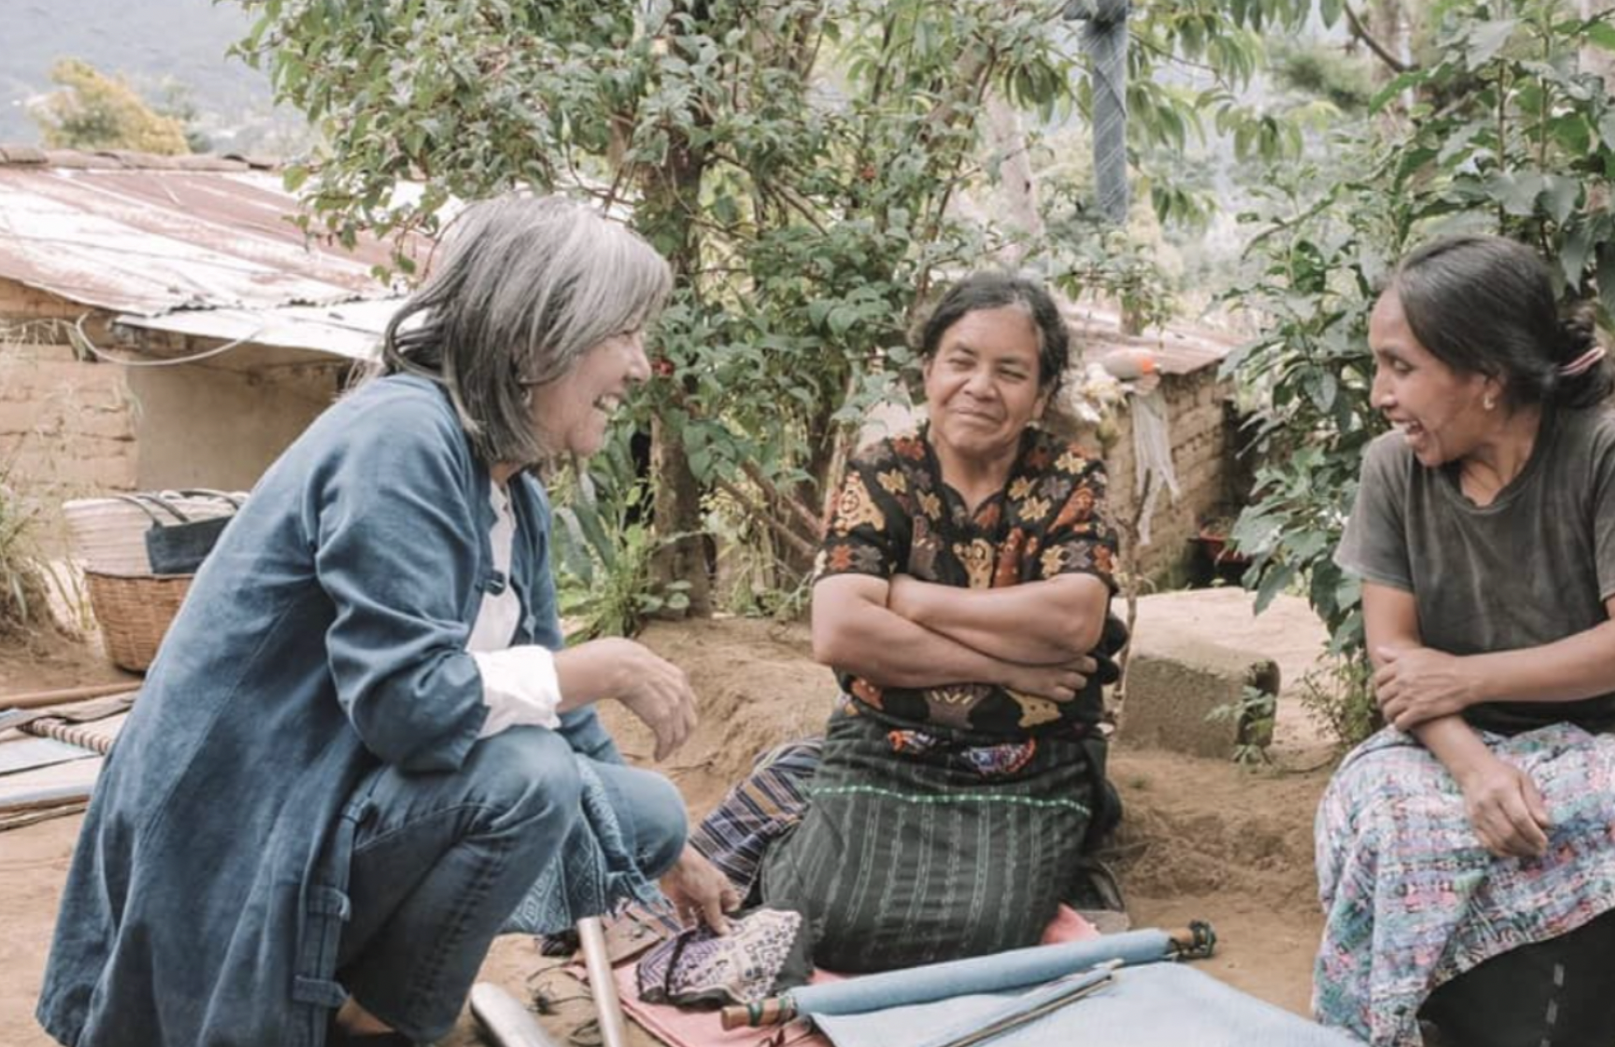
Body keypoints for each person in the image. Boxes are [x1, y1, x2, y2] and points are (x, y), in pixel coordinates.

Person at [38, 195, 740, 1047]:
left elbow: (544, 687)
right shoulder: (402, 437)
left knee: (646, 815)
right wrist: (609, 666)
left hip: (337, 790)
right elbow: (408, 707)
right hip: (248, 812)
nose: (639, 366)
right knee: (526, 777)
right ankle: (375, 1025)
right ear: (534, 338)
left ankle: (364, 999)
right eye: (622, 333)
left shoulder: (510, 489)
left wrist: (674, 857)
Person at [1314, 236, 1615, 1047]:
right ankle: (1415, 1017)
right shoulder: (1393, 471)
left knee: (1611, 810)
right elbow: (1397, 659)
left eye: (1401, 367)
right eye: (1378, 367)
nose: (1380, 394)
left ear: (1487, 377)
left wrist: (1467, 677)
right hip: (1448, 737)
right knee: (1381, 807)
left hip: (1613, 737)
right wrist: (1476, 768)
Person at [656, 272, 1124, 974]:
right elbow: (840, 634)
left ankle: (801, 792)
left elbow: (1073, 619)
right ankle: (799, 809)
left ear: (1042, 392)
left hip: (1028, 761)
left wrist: (911, 599)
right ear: (928, 369)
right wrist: (1008, 664)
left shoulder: (1071, 478)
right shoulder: (883, 473)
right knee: (825, 918)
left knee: (984, 928)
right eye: (961, 361)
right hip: (887, 746)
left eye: (1010, 371)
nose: (980, 387)